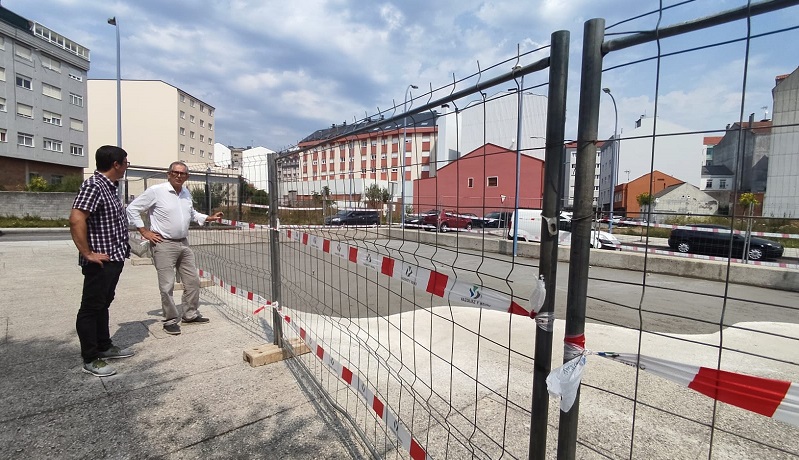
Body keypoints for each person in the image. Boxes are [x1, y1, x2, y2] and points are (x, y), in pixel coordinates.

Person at [126, 161, 223, 336]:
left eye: (182, 173)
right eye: (175, 172)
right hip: (163, 244)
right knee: (167, 285)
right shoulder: (157, 191)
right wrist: (144, 231)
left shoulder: (186, 193)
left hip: (183, 243)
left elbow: (191, 213)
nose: (179, 176)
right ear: (168, 174)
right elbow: (132, 209)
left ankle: (190, 314)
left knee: (193, 281)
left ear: (187, 177)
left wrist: (208, 218)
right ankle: (170, 320)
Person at [70, 145, 134, 377]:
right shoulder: (94, 185)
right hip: (100, 261)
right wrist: (87, 253)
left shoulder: (109, 187)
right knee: (91, 307)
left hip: (113, 258)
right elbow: (77, 218)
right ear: (116, 164)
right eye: (126, 162)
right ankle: (90, 357)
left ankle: (104, 346)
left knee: (102, 304)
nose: (127, 166)